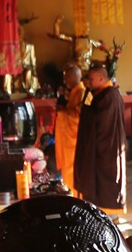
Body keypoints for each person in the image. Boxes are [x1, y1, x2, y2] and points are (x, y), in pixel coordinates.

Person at [73, 62, 127, 215]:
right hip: (107, 145)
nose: (88, 83)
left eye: (91, 79)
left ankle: (107, 213)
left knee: (104, 182)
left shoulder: (108, 96)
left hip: (106, 148)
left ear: (102, 78)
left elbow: (98, 119)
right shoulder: (106, 94)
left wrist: (84, 111)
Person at [53, 60, 85, 192]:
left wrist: (62, 114)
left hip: (75, 142)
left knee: (74, 173)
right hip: (69, 142)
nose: (65, 81)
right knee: (68, 174)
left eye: (67, 78)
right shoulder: (74, 92)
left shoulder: (82, 92)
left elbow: (80, 117)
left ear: (73, 77)